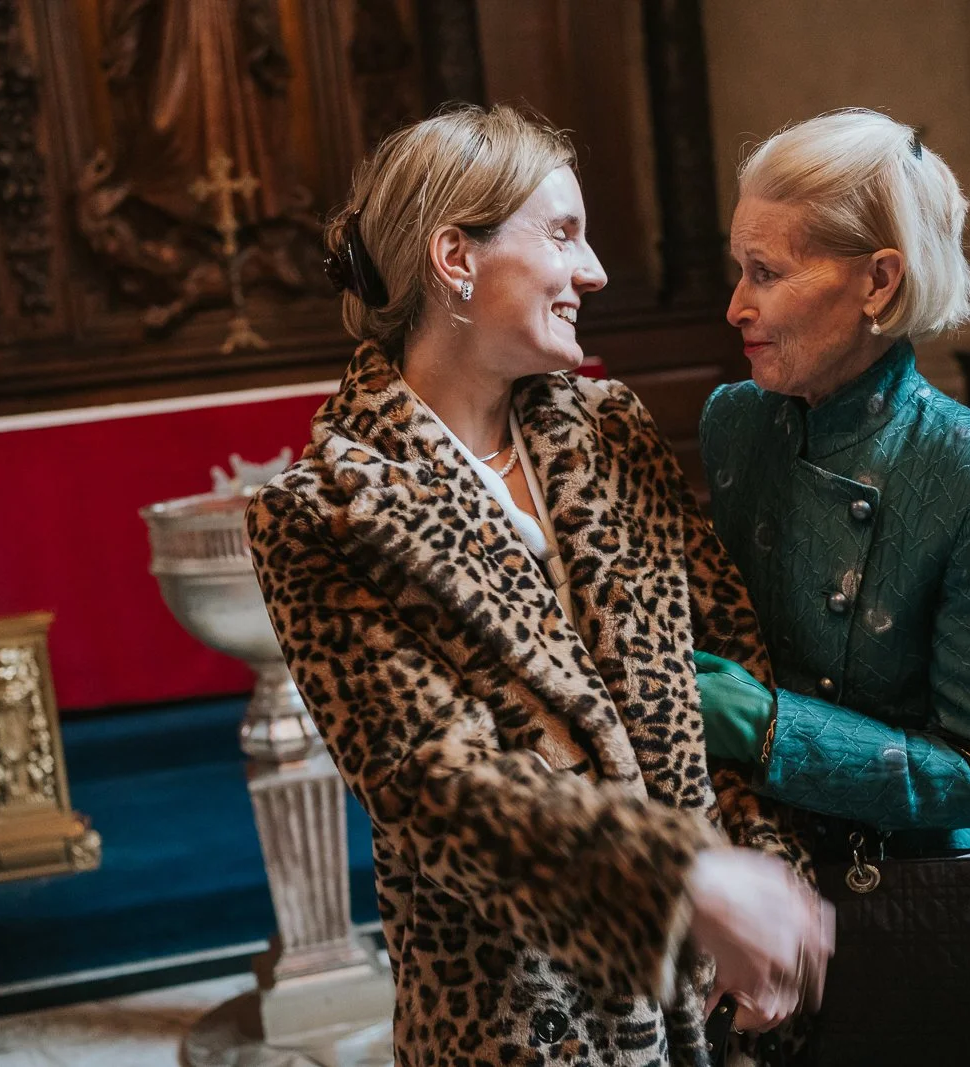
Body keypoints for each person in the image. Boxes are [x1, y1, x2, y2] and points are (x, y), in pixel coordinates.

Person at [246, 105, 831, 1065]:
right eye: (563, 233)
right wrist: (686, 887)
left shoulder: (615, 432)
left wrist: (765, 873)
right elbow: (435, 790)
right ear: (454, 257)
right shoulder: (323, 516)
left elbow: (730, 670)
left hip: (712, 1008)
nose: (594, 270)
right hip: (520, 1023)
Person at [695, 108, 970, 858]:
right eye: (739, 269)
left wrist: (768, 727)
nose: (736, 306)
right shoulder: (733, 424)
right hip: (749, 868)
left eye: (767, 272)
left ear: (879, 280)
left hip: (905, 902)